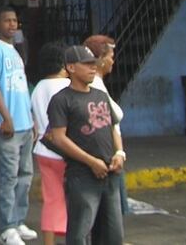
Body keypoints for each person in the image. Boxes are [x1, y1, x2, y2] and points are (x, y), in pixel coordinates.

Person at [46, 46, 126, 245]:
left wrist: (119, 153)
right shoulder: (61, 100)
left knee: (113, 233)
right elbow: (59, 138)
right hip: (82, 174)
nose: (93, 68)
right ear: (71, 67)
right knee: (80, 232)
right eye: (87, 64)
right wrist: (91, 161)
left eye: (94, 64)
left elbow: (113, 128)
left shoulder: (100, 95)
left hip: (110, 172)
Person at [0, 5, 37, 245]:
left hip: (24, 124)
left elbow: (21, 86)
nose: (12, 24)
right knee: (9, 177)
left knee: (25, 175)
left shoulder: (13, 50)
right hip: (8, 125)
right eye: (7, 20)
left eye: (15, 20)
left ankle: (18, 220)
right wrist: (6, 117)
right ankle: (7, 228)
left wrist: (31, 118)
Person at [30, 42, 71, 245]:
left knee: (52, 199)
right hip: (67, 150)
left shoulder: (38, 88)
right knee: (76, 200)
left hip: (43, 150)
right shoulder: (67, 86)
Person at [82, 35, 126, 215]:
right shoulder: (95, 87)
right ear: (100, 59)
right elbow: (111, 119)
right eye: (110, 57)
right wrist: (119, 151)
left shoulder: (97, 84)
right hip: (106, 152)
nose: (112, 61)